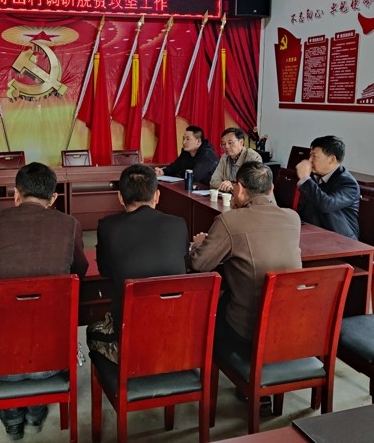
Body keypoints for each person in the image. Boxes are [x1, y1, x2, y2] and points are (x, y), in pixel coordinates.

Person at [0, 162, 87, 440]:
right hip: (53, 360)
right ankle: (35, 413)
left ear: (16, 194)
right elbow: (80, 271)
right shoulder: (69, 224)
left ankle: (12, 420)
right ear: (53, 198)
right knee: (44, 319)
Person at [189, 162, 302, 355]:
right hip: (289, 325)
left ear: (239, 188)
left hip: (247, 332)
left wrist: (198, 244)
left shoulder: (230, 221)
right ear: (271, 189)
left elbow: (199, 264)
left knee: (204, 314)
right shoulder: (293, 218)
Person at [87, 164, 188, 364]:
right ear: (157, 196)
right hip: (175, 334)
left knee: (92, 330)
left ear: (120, 197)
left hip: (129, 339)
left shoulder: (108, 226)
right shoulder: (178, 224)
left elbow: (105, 270)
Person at [295, 135, 360, 239]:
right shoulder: (315, 176)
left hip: (340, 239)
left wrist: (305, 179)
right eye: (310, 155)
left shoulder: (348, 184)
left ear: (332, 159)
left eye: (314, 156)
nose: (310, 160)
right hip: (314, 232)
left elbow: (327, 204)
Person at [153, 125, 218, 186]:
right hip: (190, 188)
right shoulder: (186, 152)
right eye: (183, 139)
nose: (183, 142)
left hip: (208, 190)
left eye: (188, 139)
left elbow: (195, 177)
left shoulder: (208, 155)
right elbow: (175, 167)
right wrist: (162, 171)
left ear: (198, 141)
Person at [210, 127, 263, 191]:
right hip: (229, 195)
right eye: (223, 144)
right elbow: (213, 182)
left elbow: (254, 185)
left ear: (241, 142)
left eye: (230, 143)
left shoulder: (253, 157)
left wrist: (232, 186)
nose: (226, 146)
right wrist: (227, 186)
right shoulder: (224, 157)